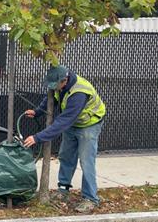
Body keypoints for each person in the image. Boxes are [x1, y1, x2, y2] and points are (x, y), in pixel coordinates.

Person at [23, 65, 106, 213]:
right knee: (66, 156)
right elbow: (51, 99)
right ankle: (63, 190)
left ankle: (90, 198)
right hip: (73, 123)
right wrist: (37, 112)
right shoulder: (59, 86)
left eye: (55, 85)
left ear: (64, 80)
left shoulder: (79, 93)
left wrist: (38, 137)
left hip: (88, 124)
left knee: (86, 161)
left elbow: (64, 121)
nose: (52, 88)